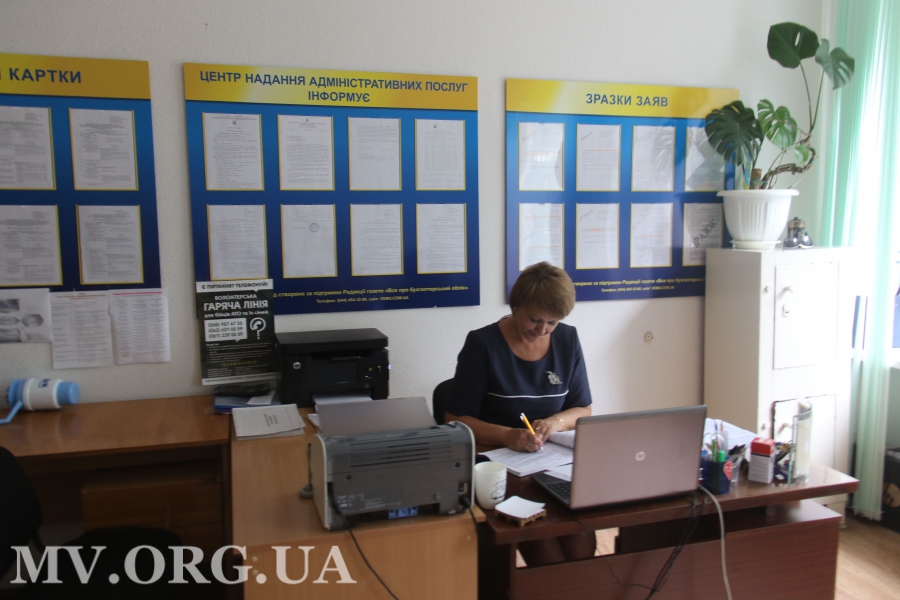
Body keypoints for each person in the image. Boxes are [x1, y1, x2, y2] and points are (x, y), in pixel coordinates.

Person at [445, 261, 594, 564]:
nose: (542, 330)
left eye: (552, 322)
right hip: (496, 466)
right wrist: (509, 436)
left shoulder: (567, 340)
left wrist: (555, 422)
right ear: (515, 307)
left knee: (581, 539)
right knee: (544, 545)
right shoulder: (483, 344)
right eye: (534, 319)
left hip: (549, 463)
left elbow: (583, 409)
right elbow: (455, 420)